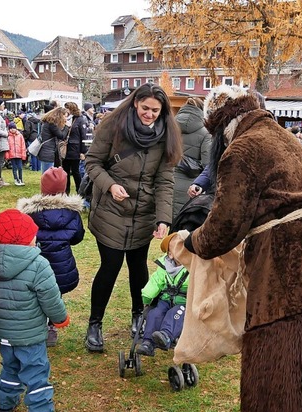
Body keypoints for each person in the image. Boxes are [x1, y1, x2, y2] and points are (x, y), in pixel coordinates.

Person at [181, 85, 302, 412]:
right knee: (300, 340)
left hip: (282, 256)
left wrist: (193, 241)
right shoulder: (284, 136)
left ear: (219, 128)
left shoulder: (241, 150)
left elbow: (226, 225)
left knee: (272, 343)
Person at [84, 83, 182, 352]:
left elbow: (165, 180)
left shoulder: (166, 136)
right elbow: (92, 162)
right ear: (135, 103)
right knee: (110, 267)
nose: (149, 114)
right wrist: (109, 185)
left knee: (139, 268)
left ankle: (140, 317)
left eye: (155, 110)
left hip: (143, 213)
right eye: (145, 108)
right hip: (111, 211)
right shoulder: (112, 126)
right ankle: (95, 323)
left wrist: (163, 218)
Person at [0, 209, 71, 412]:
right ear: (28, 238)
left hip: (5, 334)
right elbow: (50, 298)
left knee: (10, 367)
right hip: (30, 335)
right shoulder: (38, 264)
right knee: (36, 374)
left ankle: (5, 404)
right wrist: (60, 318)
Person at [17, 167, 85, 346]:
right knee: (54, 295)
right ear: (64, 189)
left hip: (34, 264)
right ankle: (52, 326)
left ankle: (38, 325)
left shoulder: (29, 213)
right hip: (61, 266)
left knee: (35, 295)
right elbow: (77, 237)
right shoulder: (72, 214)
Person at [135, 232, 189, 357]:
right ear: (170, 254)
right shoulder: (164, 267)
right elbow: (155, 281)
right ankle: (148, 342)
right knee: (154, 314)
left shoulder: (192, 268)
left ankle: (166, 336)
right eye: (178, 250)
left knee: (175, 313)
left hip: (184, 303)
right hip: (165, 300)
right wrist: (147, 296)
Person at [172, 97, 211, 219]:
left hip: (168, 181)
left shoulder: (170, 127)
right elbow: (207, 164)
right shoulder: (206, 133)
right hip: (191, 186)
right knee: (182, 226)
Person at [63, 102, 90, 194]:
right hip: (66, 149)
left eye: (67, 108)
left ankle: (79, 191)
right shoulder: (65, 119)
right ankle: (66, 191)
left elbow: (84, 136)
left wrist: (83, 152)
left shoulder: (80, 119)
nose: (66, 110)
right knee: (65, 171)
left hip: (75, 149)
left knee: (76, 172)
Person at [38, 107, 69, 173]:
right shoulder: (52, 124)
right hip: (48, 152)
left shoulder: (49, 122)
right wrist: (66, 127)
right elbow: (61, 136)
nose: (66, 119)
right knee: (48, 175)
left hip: (47, 150)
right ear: (60, 115)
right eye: (65, 116)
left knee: (47, 174)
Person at [6, 122, 26, 186]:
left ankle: (20, 179)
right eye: (11, 128)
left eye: (14, 128)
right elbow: (7, 147)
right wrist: (7, 155)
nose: (12, 129)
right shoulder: (8, 137)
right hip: (12, 155)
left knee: (20, 167)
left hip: (19, 154)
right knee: (14, 168)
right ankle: (16, 179)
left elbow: (23, 146)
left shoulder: (20, 136)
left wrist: (23, 154)